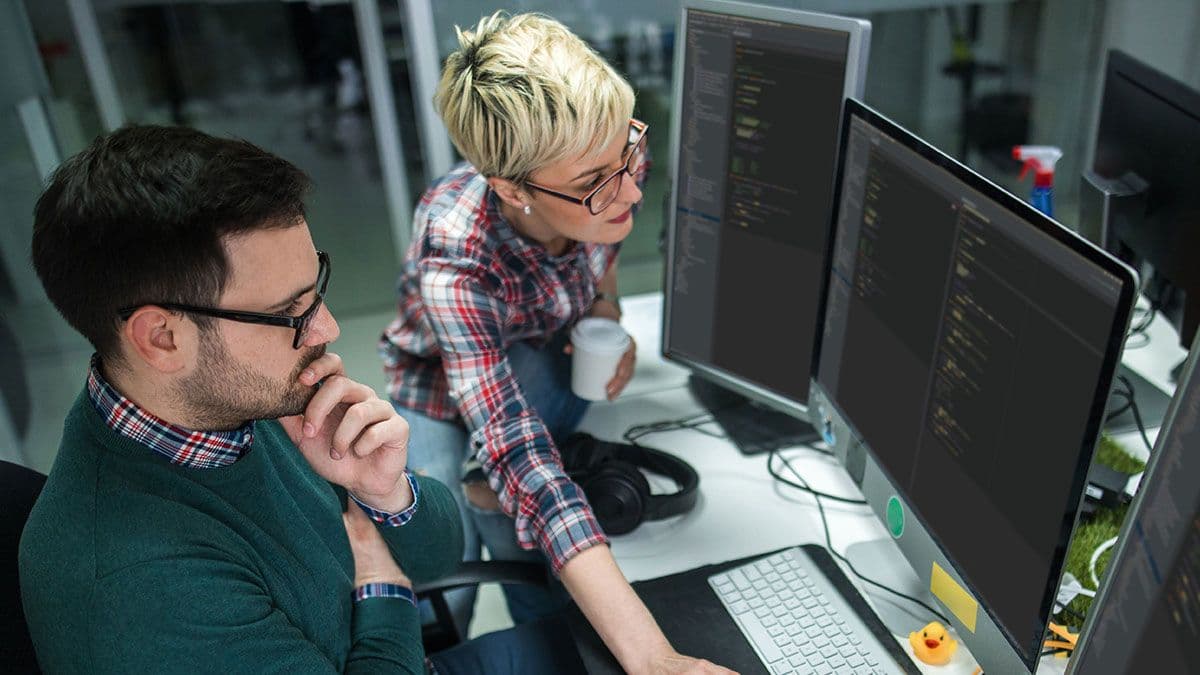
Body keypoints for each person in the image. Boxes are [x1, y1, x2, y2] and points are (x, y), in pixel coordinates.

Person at [19, 125, 584, 674]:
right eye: (290, 313)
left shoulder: (231, 401)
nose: (327, 329)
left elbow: (435, 557)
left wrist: (386, 492)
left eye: (317, 292)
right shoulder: (138, 585)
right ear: (163, 339)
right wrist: (385, 592)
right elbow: (399, 579)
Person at [380, 12, 734, 674]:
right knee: (429, 551)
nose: (631, 187)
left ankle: (542, 625)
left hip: (538, 353)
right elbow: (519, 449)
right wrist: (654, 658)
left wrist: (604, 305)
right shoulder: (455, 252)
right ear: (513, 190)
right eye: (595, 183)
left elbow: (605, 244)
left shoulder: (608, 156)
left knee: (525, 547)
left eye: (629, 154)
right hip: (435, 383)